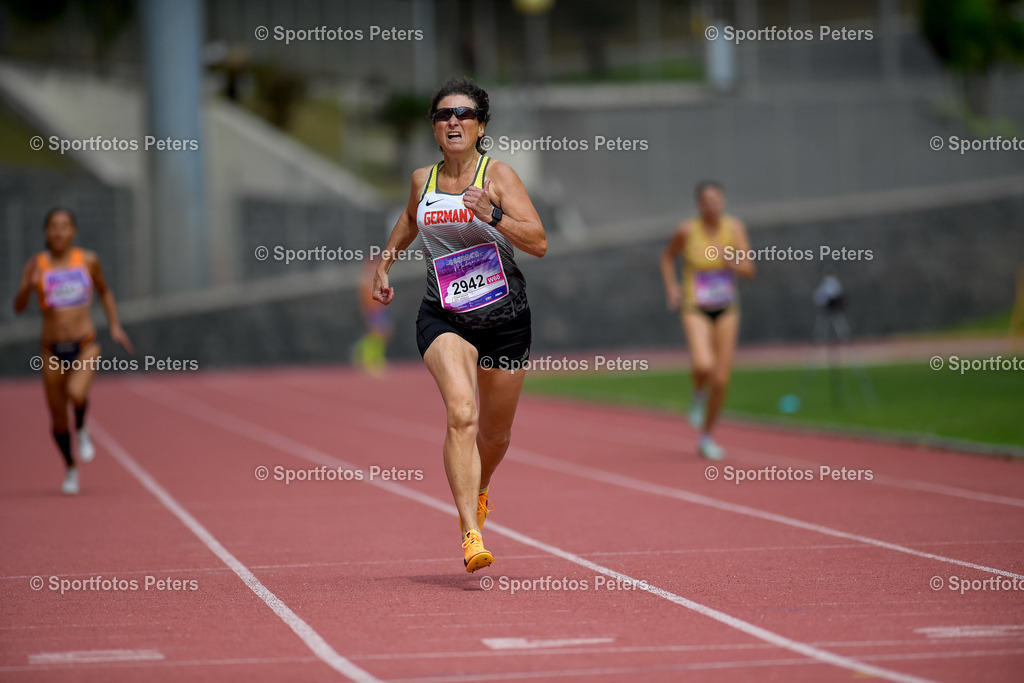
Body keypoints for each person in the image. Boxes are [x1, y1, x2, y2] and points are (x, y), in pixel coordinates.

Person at [372, 77, 547, 572]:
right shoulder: (421, 179)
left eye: (465, 114)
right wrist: (386, 262)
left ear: (481, 126)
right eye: (444, 114)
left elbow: (538, 242)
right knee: (462, 414)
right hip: (443, 314)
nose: (454, 121)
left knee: (494, 437)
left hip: (505, 319)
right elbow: (411, 219)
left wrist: (492, 215)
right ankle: (471, 532)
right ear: (434, 127)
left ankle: (481, 485)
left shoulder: (499, 176)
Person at [13, 208, 133, 494]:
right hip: (51, 350)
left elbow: (104, 291)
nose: (59, 232)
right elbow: (17, 308)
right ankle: (70, 466)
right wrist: (28, 288)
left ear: (74, 231)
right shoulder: (36, 265)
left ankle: (81, 428)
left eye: (64, 226)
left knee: (76, 394)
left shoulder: (87, 260)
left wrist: (115, 326)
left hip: (84, 345)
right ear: (46, 232)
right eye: (53, 226)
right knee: (56, 417)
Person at [660, 181, 754, 460]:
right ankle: (698, 393)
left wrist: (731, 262)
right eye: (707, 201)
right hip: (695, 306)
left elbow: (749, 269)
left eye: (717, 200)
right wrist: (672, 287)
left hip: (726, 307)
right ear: (699, 205)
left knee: (722, 380)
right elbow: (667, 258)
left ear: (723, 202)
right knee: (704, 364)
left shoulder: (734, 228)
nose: (713, 205)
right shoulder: (687, 230)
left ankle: (706, 436)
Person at [354, 255, 393, 377]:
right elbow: (364, 295)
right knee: (376, 334)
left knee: (384, 333)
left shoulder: (376, 274)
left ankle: (367, 353)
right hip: (373, 308)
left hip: (379, 307)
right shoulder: (366, 277)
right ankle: (371, 360)